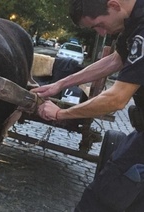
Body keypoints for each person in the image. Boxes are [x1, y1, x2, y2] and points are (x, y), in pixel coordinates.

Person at [31, 0, 144, 211]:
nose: (101, 33)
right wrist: (60, 84)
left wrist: (61, 114)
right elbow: (115, 61)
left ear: (114, 5)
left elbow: (117, 99)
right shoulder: (133, 23)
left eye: (98, 24)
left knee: (101, 199)